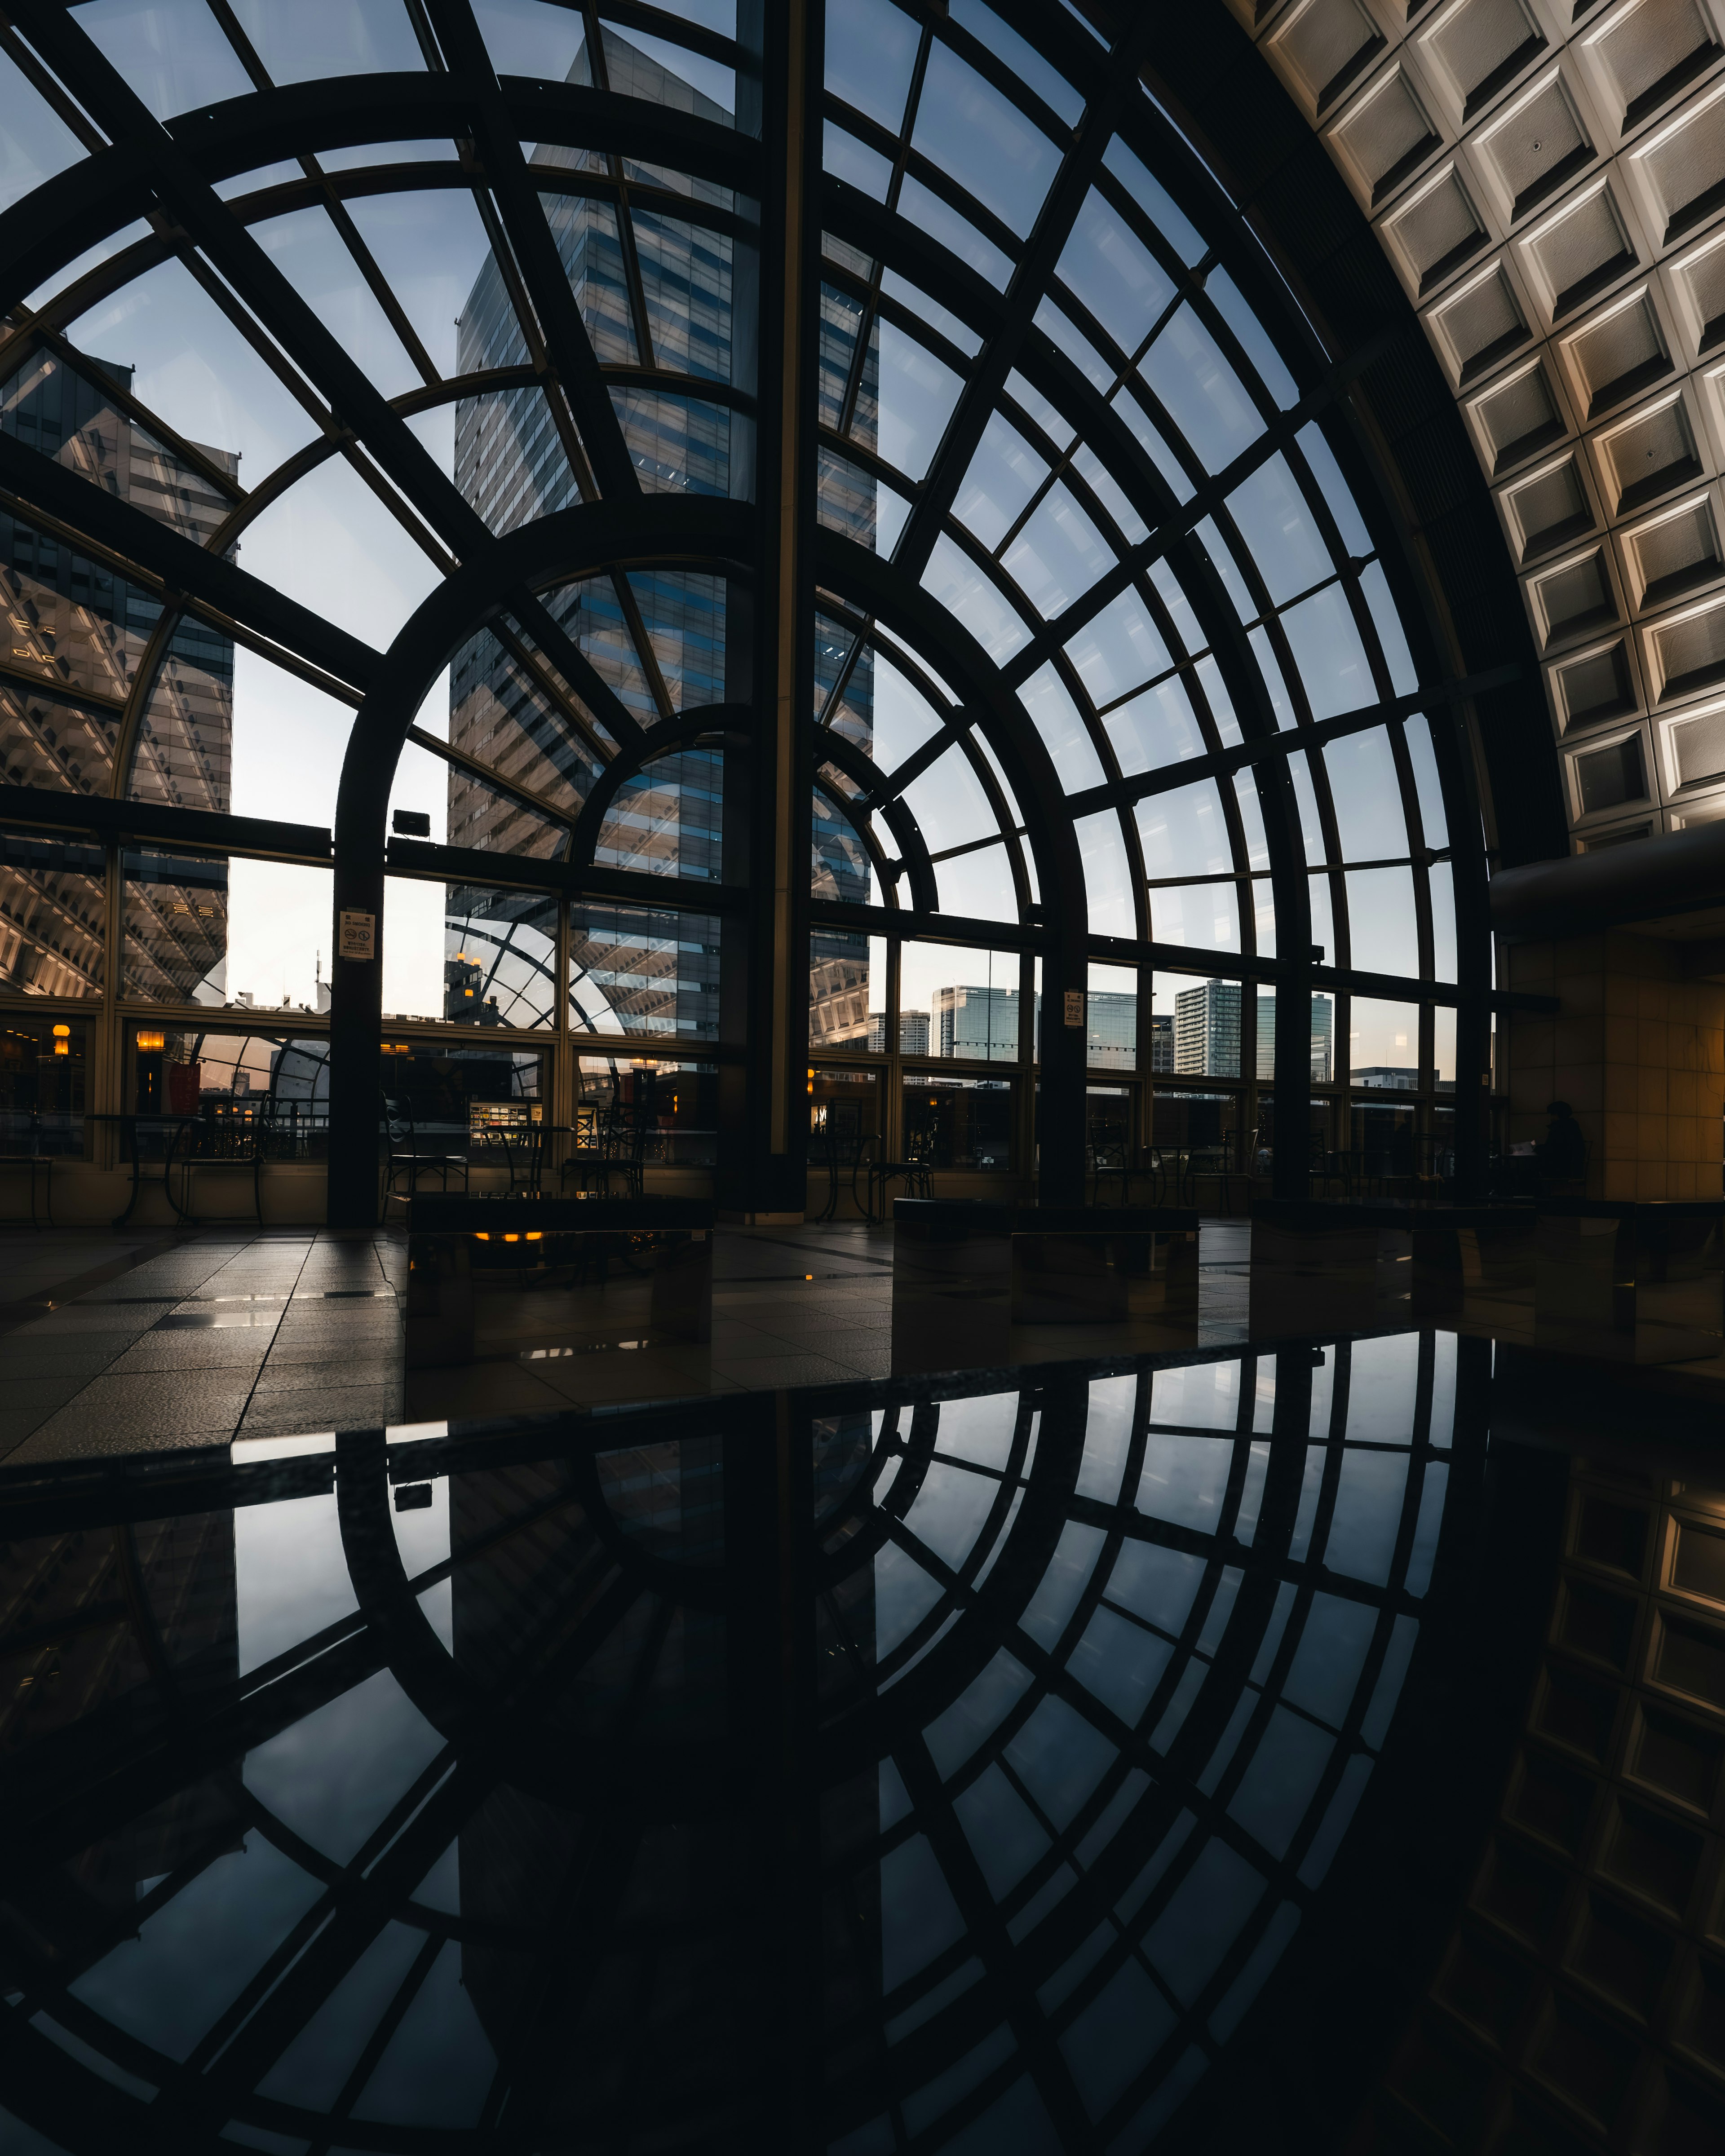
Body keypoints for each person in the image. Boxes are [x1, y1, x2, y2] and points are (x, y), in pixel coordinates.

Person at [1537, 1099, 1587, 1188]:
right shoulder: (1574, 1127)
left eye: (1552, 1115)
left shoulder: (1557, 1130)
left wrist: (1536, 1149)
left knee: (1531, 1171)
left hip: (1560, 1169)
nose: (1551, 1118)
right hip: (1575, 1170)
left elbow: (1551, 1149)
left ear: (1557, 1115)